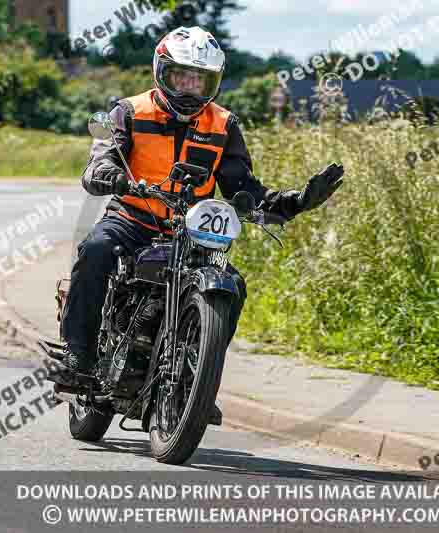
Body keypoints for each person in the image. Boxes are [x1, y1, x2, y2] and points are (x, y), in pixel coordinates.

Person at [55, 27, 344, 408]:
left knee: (233, 286)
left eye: (200, 79)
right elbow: (103, 158)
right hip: (133, 217)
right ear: (163, 72)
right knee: (95, 250)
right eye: (183, 76)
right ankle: (79, 356)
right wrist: (108, 174)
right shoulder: (130, 110)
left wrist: (297, 202)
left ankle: (196, 382)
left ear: (214, 82)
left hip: (189, 230)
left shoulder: (222, 124)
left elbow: (244, 188)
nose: (191, 88)